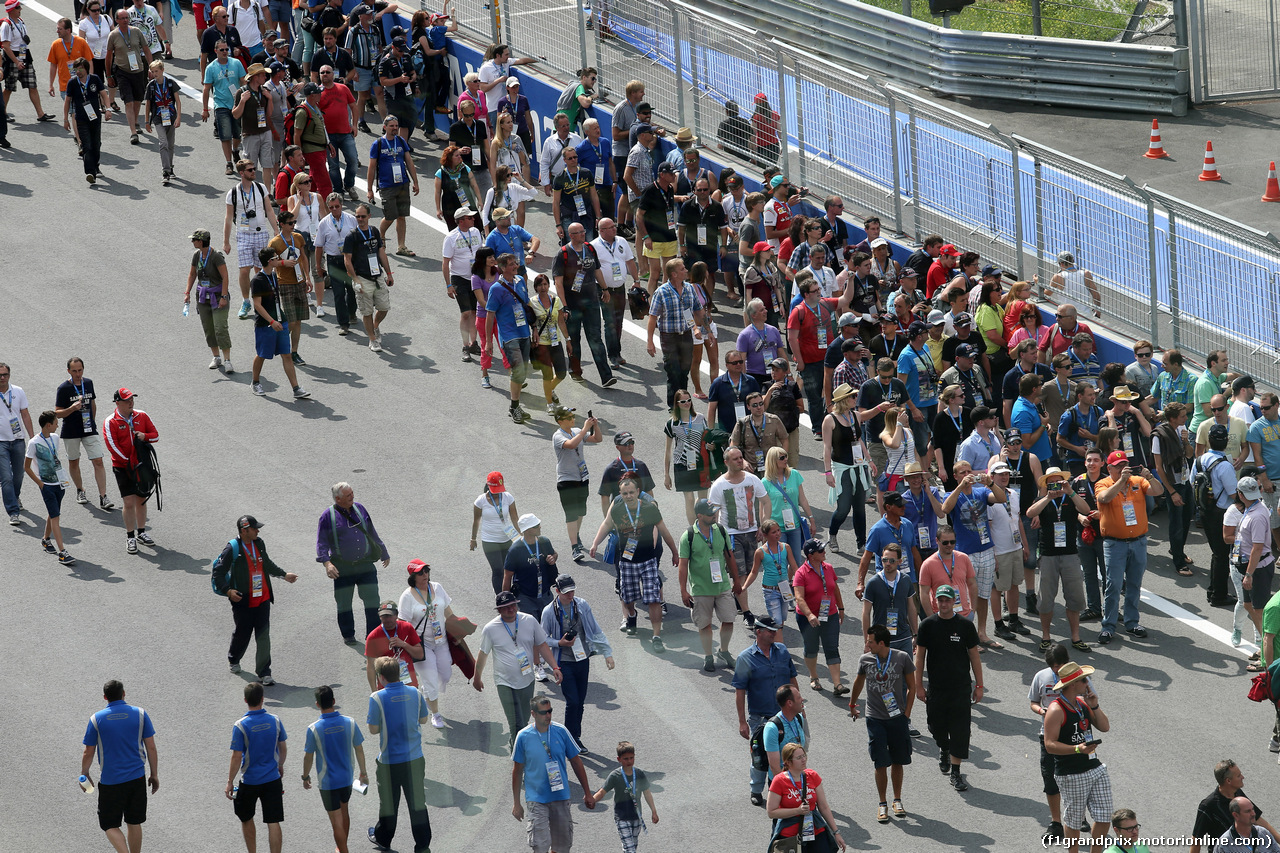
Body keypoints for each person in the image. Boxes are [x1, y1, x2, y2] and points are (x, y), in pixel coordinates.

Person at [590, 473, 677, 647]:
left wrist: (675, 552)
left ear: (638, 492)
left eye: (631, 492)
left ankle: (656, 636)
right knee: (628, 599)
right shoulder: (616, 508)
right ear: (620, 494)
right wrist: (595, 544)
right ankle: (631, 615)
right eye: (625, 493)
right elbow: (606, 525)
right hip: (627, 562)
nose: (628, 496)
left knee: (653, 598)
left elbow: (663, 531)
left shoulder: (649, 508)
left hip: (648, 561)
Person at [914, 584, 982, 792]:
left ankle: (956, 771)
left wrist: (979, 685)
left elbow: (974, 656)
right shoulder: (927, 625)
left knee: (961, 731)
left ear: (954, 602)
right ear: (936, 602)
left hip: (960, 688)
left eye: (947, 600)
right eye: (940, 600)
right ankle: (943, 747)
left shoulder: (965, 626)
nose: (944, 604)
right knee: (936, 726)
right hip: (936, 688)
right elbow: (920, 656)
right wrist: (918, 686)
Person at [473, 591, 562, 750]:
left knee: (524, 718)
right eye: (505, 607)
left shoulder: (529, 620)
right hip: (504, 681)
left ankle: (515, 743)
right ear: (499, 610)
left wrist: (554, 667)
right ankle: (518, 757)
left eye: (513, 605)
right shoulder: (490, 628)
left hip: (527, 679)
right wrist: (477, 677)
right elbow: (483, 653)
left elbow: (541, 644)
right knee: (515, 722)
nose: (510, 609)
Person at [848, 623, 916, 824]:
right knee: (880, 762)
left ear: (881, 643)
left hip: (897, 718)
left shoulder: (902, 658)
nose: (867, 645)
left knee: (898, 760)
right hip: (875, 718)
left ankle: (897, 800)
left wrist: (907, 714)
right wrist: (852, 704)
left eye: (870, 642)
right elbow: (859, 681)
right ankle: (882, 803)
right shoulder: (865, 660)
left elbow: (912, 687)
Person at [218, 514, 298, 683]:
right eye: (254, 528)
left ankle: (264, 672)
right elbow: (218, 573)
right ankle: (234, 659)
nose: (258, 531)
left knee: (263, 635)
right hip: (243, 600)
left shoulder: (259, 543)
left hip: (262, 597)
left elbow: (266, 564)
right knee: (243, 633)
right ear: (244, 530)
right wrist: (228, 591)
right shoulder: (232, 549)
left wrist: (284, 575)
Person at [82, 680, 159, 853]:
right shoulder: (140, 714)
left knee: (109, 824)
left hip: (111, 782)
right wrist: (154, 774)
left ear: (105, 697)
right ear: (124, 693)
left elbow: (88, 751)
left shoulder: (96, 719)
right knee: (134, 821)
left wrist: (85, 773)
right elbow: (151, 747)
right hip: (137, 779)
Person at [1095, 450, 1163, 644]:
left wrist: (1151, 477)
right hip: (1114, 543)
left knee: (1134, 584)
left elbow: (1158, 491)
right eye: (1117, 466)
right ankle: (1108, 626)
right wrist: (1120, 482)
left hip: (1138, 542)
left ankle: (1132, 622)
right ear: (1109, 468)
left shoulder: (1137, 481)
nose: (1122, 469)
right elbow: (1103, 499)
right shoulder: (1103, 483)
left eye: (1124, 465)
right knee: (1113, 585)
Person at [1042, 661, 1111, 853]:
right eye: (1084, 679)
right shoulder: (1056, 710)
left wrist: (1095, 706)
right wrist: (1078, 749)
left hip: (1094, 767)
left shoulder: (1082, 703)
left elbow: (1105, 727)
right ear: (1072, 683)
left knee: (1105, 816)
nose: (1088, 683)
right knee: (1073, 821)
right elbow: (1049, 745)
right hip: (1071, 773)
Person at [512, 695, 596, 853]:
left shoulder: (561, 731)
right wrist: (517, 803)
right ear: (533, 714)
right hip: (536, 799)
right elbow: (517, 771)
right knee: (540, 844)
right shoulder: (523, 737)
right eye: (543, 712)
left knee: (562, 847)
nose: (548, 715)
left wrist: (587, 793)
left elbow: (576, 762)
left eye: (550, 711)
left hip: (560, 797)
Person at [540, 574, 614, 750]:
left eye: (572, 591)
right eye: (566, 593)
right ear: (557, 591)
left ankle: (574, 736)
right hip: (563, 662)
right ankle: (571, 739)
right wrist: (559, 643)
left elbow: (595, 629)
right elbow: (542, 638)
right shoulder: (549, 611)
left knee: (580, 702)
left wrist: (607, 653)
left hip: (582, 658)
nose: (570, 595)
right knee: (572, 701)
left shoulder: (581, 605)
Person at [366, 656, 432, 853]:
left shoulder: (377, 697)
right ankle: (422, 844)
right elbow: (423, 719)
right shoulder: (415, 692)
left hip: (389, 762)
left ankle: (384, 840)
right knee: (418, 803)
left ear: (381, 677)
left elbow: (373, 729)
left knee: (388, 804)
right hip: (414, 759)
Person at [733, 615, 799, 806]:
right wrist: (742, 721)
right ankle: (756, 789)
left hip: (786, 716)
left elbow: (792, 680)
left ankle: (782, 790)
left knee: (789, 753)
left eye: (775, 630)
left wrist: (798, 706)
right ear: (759, 632)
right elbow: (740, 691)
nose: (774, 633)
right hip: (760, 718)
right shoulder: (745, 658)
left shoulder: (783, 651)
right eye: (770, 631)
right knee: (760, 757)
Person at [316, 481, 390, 643]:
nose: (352, 497)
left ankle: (373, 636)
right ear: (338, 498)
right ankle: (348, 634)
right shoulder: (327, 516)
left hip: (365, 564)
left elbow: (371, 531)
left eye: (352, 493)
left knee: (372, 601)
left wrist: (384, 551)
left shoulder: (360, 508)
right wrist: (327, 564)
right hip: (342, 567)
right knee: (344, 604)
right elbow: (322, 543)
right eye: (348, 495)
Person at [1028, 468, 1092, 652]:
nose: (1056, 486)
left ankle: (1076, 636)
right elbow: (1030, 513)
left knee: (1075, 597)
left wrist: (1069, 491)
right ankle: (1046, 636)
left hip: (1070, 554)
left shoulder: (1070, 498)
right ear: (1046, 485)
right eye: (1052, 483)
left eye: (1059, 482)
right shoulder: (1043, 500)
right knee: (1046, 599)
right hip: (1048, 555)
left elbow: (1086, 509)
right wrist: (1048, 497)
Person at [302, 685, 368, 853]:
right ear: (334, 701)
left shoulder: (314, 729)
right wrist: (363, 773)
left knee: (335, 821)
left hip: (328, 783)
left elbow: (308, 756)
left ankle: (343, 849)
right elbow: (359, 749)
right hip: (346, 779)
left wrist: (305, 776)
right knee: (344, 811)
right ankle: (342, 846)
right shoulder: (350, 722)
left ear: (317, 704)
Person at [679, 496, 742, 672]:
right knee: (704, 624)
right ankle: (708, 655)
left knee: (729, 619)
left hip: (722, 586)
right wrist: (684, 591)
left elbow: (730, 557)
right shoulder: (688, 536)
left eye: (714, 512)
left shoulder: (720, 530)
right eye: (709, 514)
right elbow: (683, 566)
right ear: (699, 516)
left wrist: (736, 581)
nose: (714, 516)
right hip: (700, 589)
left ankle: (724, 650)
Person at [226, 682, 288, 853]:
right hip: (272, 779)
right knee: (273, 821)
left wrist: (230, 781)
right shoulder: (275, 720)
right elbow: (283, 747)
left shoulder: (240, 725)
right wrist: (280, 765)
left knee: (246, 818)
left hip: (250, 781)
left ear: (245, 700)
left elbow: (236, 756)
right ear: (262, 699)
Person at [554, 222, 616, 387]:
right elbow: (558, 283)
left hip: (591, 303)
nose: (583, 234)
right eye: (579, 232)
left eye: (584, 231)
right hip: (572, 305)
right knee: (574, 340)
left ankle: (606, 376)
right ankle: (575, 371)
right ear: (571, 235)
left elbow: (596, 270)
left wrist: (605, 289)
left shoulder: (589, 248)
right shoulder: (563, 254)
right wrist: (564, 306)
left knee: (595, 338)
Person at [397, 560, 457, 728]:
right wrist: (405, 646)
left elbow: (448, 611)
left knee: (445, 674)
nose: (424, 575)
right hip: (422, 645)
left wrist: (458, 630)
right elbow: (403, 624)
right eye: (420, 573)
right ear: (413, 577)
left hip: (442, 640)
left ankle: (428, 689)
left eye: (426, 571)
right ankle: (435, 713)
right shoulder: (407, 596)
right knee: (431, 680)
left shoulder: (437, 587)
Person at [247, 247, 310, 398]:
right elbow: (257, 305)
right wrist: (272, 321)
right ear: (270, 261)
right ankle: (255, 382)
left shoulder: (274, 275)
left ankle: (296, 388)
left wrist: (279, 319)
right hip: (265, 324)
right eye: (276, 258)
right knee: (262, 354)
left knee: (286, 355)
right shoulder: (258, 280)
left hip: (280, 321)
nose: (278, 260)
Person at [53, 357, 113, 510]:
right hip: (71, 431)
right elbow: (57, 413)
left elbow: (92, 403)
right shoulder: (64, 388)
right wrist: (72, 408)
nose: (78, 374)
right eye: (74, 371)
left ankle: (103, 496)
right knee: (74, 461)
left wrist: (92, 422)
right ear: (68, 371)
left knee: (98, 460)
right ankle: (80, 490)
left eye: (80, 370)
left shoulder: (88, 383)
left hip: (88, 429)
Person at [102, 388, 157, 554]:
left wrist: (144, 436)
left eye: (132, 399)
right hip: (123, 467)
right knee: (128, 502)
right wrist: (128, 463)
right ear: (117, 403)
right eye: (127, 400)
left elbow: (155, 435)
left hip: (142, 465)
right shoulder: (110, 421)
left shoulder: (142, 415)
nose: (131, 403)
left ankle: (141, 533)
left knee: (141, 499)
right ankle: (130, 536)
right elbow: (112, 447)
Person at [224, 158, 280, 321]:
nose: (254, 172)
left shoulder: (261, 188)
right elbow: (228, 218)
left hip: (261, 233)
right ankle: (246, 301)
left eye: (254, 169)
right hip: (243, 234)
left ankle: (261, 301)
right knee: (244, 269)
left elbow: (269, 210)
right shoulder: (233, 193)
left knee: (260, 270)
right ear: (242, 173)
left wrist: (275, 229)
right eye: (250, 170)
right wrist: (226, 241)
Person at [765, 743, 847, 852]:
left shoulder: (812, 776)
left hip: (816, 831)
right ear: (788, 762)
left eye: (804, 756)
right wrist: (797, 811)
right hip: (791, 836)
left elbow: (824, 807)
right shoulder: (779, 781)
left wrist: (836, 832)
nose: (803, 760)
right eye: (799, 758)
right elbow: (771, 812)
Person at [821, 383, 873, 554]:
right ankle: (833, 534)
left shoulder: (856, 415)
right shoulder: (830, 420)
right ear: (843, 400)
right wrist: (828, 473)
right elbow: (827, 448)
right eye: (852, 396)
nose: (855, 398)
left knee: (859, 507)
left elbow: (859, 440)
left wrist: (869, 460)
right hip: (841, 468)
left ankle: (861, 544)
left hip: (858, 466)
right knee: (843, 508)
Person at [1028, 643, 1071, 843]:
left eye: (1060, 665)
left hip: (1073, 735)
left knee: (1076, 778)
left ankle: (1078, 817)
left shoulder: (1078, 677)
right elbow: (1033, 702)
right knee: (1050, 779)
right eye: (1053, 666)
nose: (1056, 670)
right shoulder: (1040, 676)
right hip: (1047, 735)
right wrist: (1042, 711)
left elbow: (1089, 700)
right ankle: (1056, 822)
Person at [793, 538, 846, 693]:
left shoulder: (828, 568)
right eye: (821, 550)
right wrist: (809, 615)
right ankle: (814, 677)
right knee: (811, 648)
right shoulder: (800, 574)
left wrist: (841, 608)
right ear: (811, 555)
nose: (824, 552)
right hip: (807, 619)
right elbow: (799, 598)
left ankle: (837, 684)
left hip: (830, 614)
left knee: (832, 647)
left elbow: (835, 589)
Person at [486, 253, 534, 423]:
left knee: (522, 373)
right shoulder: (496, 288)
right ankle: (514, 406)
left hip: (524, 333)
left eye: (516, 263)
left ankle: (516, 405)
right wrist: (488, 342)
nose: (515, 266)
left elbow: (526, 304)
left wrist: (534, 328)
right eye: (512, 264)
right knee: (518, 370)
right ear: (503, 268)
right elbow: (490, 315)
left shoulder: (520, 280)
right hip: (508, 335)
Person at [1191, 761, 1279, 853]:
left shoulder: (1238, 794)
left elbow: (1257, 819)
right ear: (1228, 781)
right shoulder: (1208, 805)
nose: (1243, 777)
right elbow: (1196, 839)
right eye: (1238, 776)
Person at [342, 203, 394, 352]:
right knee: (367, 311)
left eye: (363, 216)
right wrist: (355, 280)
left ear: (369, 216)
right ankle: (372, 339)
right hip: (362, 278)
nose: (360, 219)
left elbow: (381, 253)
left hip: (377, 276)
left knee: (384, 307)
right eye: (357, 216)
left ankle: (375, 326)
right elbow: (347, 260)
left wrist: (389, 273)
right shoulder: (352, 236)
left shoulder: (374, 231)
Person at [646, 257, 697, 407]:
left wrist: (703, 329)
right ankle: (673, 406)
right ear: (674, 274)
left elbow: (696, 311)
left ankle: (683, 403)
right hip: (669, 338)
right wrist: (650, 341)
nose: (686, 270)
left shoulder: (689, 288)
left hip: (686, 335)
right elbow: (652, 317)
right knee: (673, 372)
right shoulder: (661, 292)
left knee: (684, 372)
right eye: (682, 269)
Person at [1199, 424, 1240, 608]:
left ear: (1209, 440)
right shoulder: (1224, 465)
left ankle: (1213, 591)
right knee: (1222, 555)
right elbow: (1233, 493)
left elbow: (1194, 481)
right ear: (1225, 442)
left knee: (1217, 553)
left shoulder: (1200, 460)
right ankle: (1218, 595)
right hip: (1221, 513)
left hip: (1205, 510)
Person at [593, 741, 659, 853]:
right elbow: (602, 791)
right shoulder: (615, 776)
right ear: (619, 759)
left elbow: (647, 793)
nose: (629, 761)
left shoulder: (639, 774)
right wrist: (592, 800)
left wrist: (654, 811)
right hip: (622, 817)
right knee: (630, 849)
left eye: (631, 758)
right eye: (626, 759)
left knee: (632, 845)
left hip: (636, 816)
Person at [366, 116, 418, 257]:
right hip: (386, 186)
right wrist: (369, 189)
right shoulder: (378, 144)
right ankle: (381, 235)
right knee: (390, 217)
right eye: (391, 126)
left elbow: (409, 162)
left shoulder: (401, 141)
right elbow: (371, 168)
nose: (395, 128)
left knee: (402, 216)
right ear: (385, 127)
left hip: (403, 184)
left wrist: (415, 181)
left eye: (396, 125)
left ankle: (401, 246)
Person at [1236, 477, 1275, 661]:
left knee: (1260, 610)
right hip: (1252, 566)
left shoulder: (1257, 515)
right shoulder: (1254, 508)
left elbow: (1257, 548)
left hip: (1257, 568)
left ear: (1240, 494)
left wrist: (1249, 574)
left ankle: (1270, 651)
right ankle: (1265, 645)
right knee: (1249, 605)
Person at [266, 210, 312, 365]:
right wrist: (283, 263)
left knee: (298, 321)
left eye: (294, 222)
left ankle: (294, 352)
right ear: (282, 224)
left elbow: (303, 258)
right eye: (291, 223)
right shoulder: (274, 243)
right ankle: (281, 343)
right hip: (284, 284)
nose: (294, 225)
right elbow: (269, 263)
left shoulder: (298, 238)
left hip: (299, 282)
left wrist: (308, 278)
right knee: (290, 321)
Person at [442, 206, 484, 362]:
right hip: (459, 278)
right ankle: (465, 346)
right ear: (461, 221)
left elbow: (480, 254)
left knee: (475, 312)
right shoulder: (451, 238)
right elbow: (445, 263)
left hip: (475, 277)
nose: (474, 219)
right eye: (470, 218)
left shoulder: (475, 233)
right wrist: (448, 285)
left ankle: (474, 343)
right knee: (466, 313)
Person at [663, 391, 711, 524]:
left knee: (702, 500)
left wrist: (710, 446)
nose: (687, 403)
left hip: (700, 463)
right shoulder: (672, 423)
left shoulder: (700, 418)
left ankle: (702, 525)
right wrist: (666, 474)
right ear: (677, 404)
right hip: (681, 464)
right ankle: (693, 529)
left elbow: (707, 440)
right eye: (683, 402)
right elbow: (667, 451)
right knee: (689, 499)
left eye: (688, 400)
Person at [314, 193, 359, 335]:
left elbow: (359, 240)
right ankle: (343, 324)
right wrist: (318, 266)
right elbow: (319, 246)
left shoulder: (352, 220)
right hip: (334, 261)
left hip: (350, 261)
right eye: (331, 207)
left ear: (342, 205)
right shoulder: (324, 223)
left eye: (337, 206)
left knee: (352, 290)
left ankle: (351, 312)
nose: (334, 209)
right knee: (338, 293)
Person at [862, 543, 917, 657]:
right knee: (883, 673)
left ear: (899, 562)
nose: (887, 563)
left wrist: (915, 634)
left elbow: (911, 608)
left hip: (904, 637)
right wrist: (868, 640)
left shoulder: (906, 580)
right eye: (885, 560)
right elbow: (866, 613)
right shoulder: (873, 583)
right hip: (881, 639)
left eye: (892, 561)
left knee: (907, 673)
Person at [103, 8, 149, 143]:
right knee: (128, 101)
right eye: (122, 18)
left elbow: (146, 49)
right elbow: (108, 57)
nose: (125, 20)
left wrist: (151, 67)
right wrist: (109, 76)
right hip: (122, 71)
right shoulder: (113, 35)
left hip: (139, 70)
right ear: (116, 20)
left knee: (138, 99)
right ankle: (133, 132)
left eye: (127, 18)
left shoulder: (136, 32)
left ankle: (135, 121)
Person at [504, 513, 558, 622]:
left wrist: (552, 558)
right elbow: (507, 576)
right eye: (536, 525)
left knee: (549, 627)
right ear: (528, 530)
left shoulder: (544, 541)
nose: (540, 526)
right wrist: (507, 602)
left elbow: (555, 554)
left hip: (545, 594)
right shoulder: (515, 550)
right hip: (526, 598)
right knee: (532, 630)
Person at [63, 57, 110, 183]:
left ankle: (96, 166)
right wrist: (65, 119)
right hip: (81, 119)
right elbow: (67, 101)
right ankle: (90, 172)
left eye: (81, 68)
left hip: (95, 117)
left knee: (96, 144)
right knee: (86, 145)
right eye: (76, 69)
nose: (78, 71)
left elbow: (104, 94)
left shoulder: (95, 79)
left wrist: (108, 109)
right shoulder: (72, 83)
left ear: (86, 69)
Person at [918, 525, 979, 621]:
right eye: (945, 542)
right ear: (937, 541)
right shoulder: (928, 564)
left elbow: (972, 584)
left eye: (952, 542)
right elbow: (924, 594)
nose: (949, 545)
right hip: (940, 617)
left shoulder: (964, 558)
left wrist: (973, 610)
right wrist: (932, 618)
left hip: (964, 616)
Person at [364, 600, 424, 694]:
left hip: (409, 684)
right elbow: (371, 666)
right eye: (384, 616)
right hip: (386, 689)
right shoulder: (373, 637)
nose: (387, 619)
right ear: (380, 617)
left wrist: (404, 644)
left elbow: (420, 655)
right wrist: (374, 692)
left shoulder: (407, 628)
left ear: (396, 615)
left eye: (390, 616)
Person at [141, 59, 180, 184]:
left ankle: (170, 166)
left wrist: (178, 117)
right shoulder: (151, 86)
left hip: (171, 115)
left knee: (170, 144)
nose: (154, 74)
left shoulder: (170, 83)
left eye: (156, 71)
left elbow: (178, 101)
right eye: (152, 72)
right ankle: (166, 171)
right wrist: (147, 121)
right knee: (163, 143)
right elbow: (147, 105)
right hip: (158, 117)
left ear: (162, 70)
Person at [1213, 799, 1278, 853]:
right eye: (1248, 811)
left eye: (1253, 809)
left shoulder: (1263, 833)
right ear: (1236, 815)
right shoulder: (1224, 844)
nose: (1253, 814)